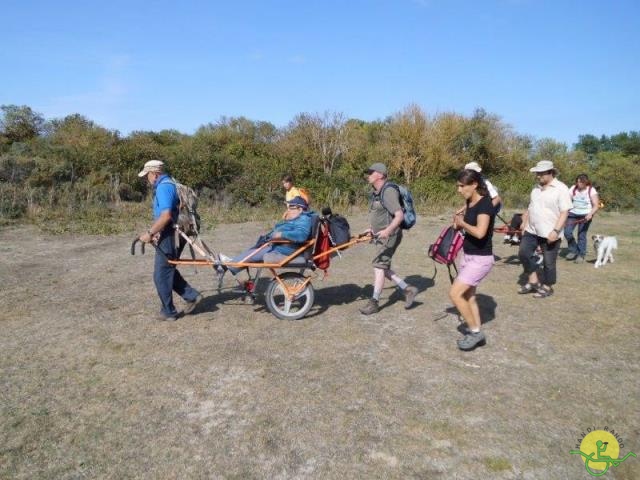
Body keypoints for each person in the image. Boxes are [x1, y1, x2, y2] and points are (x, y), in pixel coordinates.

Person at [137, 160, 202, 321]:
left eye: (148, 175)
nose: (147, 179)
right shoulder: (170, 183)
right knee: (167, 269)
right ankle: (191, 295)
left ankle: (169, 311)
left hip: (172, 234)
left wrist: (150, 233)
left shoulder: (164, 187)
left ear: (155, 173)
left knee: (161, 273)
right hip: (172, 232)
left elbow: (166, 216)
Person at [359, 162, 418, 315]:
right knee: (383, 268)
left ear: (380, 174)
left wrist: (388, 230)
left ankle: (374, 302)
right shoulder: (377, 192)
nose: (368, 175)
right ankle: (408, 289)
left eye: (371, 173)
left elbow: (399, 215)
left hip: (390, 235)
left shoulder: (388, 191)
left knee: (378, 266)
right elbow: (381, 215)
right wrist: (372, 230)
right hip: (380, 235)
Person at [450, 169, 496, 351]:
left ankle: (475, 333)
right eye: (458, 186)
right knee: (469, 296)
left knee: (455, 294)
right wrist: (457, 222)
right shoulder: (470, 201)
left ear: (474, 184)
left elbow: (480, 232)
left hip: (481, 259)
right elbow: (465, 226)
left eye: (462, 186)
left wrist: (462, 224)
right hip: (468, 255)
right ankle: (477, 333)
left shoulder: (485, 205)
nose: (459, 190)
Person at [220, 196, 315, 276]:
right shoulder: (299, 218)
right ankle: (231, 264)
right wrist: (286, 221)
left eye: (291, 207)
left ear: (300, 209)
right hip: (280, 246)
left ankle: (227, 266)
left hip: (284, 249)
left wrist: (281, 234)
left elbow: (301, 235)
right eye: (288, 207)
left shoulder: (304, 219)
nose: (288, 210)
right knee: (253, 251)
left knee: (253, 254)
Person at [517, 160, 572, 299]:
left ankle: (548, 287)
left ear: (551, 173)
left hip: (550, 232)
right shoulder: (535, 189)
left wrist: (556, 230)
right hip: (532, 230)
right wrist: (524, 222)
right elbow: (531, 207)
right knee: (524, 253)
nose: (538, 176)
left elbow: (564, 212)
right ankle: (533, 281)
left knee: (549, 262)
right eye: (537, 173)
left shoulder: (561, 189)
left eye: (541, 173)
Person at [564, 174, 600, 263]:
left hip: (586, 215)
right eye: (577, 181)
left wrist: (590, 214)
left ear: (586, 182)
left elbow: (596, 205)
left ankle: (581, 254)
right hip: (572, 214)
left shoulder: (591, 190)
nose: (578, 183)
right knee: (567, 232)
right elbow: (567, 200)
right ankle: (573, 250)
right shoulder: (573, 188)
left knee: (581, 235)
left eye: (581, 182)